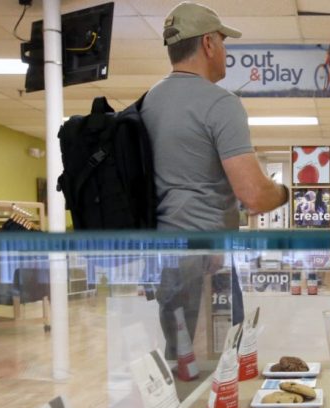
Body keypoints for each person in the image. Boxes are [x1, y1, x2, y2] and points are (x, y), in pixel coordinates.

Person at [141, 1, 289, 376]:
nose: (226, 52)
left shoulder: (147, 103)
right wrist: (284, 192)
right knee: (223, 365)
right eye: (224, 43)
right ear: (208, 44)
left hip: (164, 256)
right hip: (205, 259)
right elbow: (254, 195)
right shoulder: (221, 104)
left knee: (181, 359)